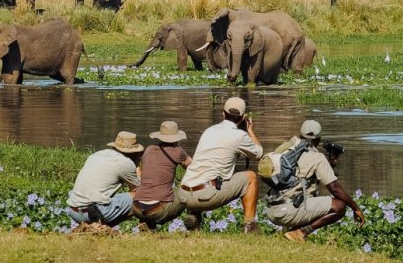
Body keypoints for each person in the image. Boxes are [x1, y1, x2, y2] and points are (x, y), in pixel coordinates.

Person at [266, 120, 365, 242]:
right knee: (339, 206)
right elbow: (334, 188)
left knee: (310, 198)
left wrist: (330, 165)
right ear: (318, 139)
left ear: (300, 135)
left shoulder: (287, 149)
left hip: (271, 210)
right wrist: (355, 208)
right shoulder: (318, 157)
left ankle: (291, 232)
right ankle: (301, 232)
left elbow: (305, 178)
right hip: (287, 213)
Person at [177, 97, 263, 233]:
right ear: (243, 117)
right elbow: (259, 154)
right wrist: (250, 130)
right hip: (206, 196)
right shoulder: (240, 135)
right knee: (251, 177)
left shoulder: (209, 131)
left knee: (202, 172)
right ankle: (249, 227)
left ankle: (194, 218)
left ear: (223, 114)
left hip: (184, 195)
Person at [67, 131, 144, 226]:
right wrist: (137, 164)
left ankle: (100, 228)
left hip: (73, 211)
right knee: (140, 198)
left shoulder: (97, 154)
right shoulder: (126, 163)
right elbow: (139, 190)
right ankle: (145, 227)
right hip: (94, 213)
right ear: (134, 152)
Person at [131, 121, 193, 229]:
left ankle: (147, 224)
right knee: (188, 191)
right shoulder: (178, 151)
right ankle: (194, 222)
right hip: (159, 210)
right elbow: (193, 167)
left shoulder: (149, 149)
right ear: (176, 137)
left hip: (137, 207)